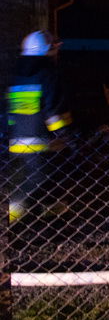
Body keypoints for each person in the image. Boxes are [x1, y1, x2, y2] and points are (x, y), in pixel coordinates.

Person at [5, 30, 74, 222]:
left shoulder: (17, 75)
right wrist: (67, 136)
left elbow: (11, 113)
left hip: (17, 143)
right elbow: (53, 113)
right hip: (45, 145)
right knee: (51, 186)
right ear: (47, 50)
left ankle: (17, 228)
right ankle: (54, 227)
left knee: (20, 189)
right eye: (53, 48)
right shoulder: (48, 74)